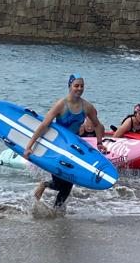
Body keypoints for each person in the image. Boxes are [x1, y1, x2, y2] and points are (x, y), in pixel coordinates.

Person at [23, 75, 109, 208]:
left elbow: (97, 125)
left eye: (82, 86)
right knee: (59, 183)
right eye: (76, 86)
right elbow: (44, 125)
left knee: (68, 184)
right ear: (70, 86)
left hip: (73, 148)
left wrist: (99, 143)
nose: (79, 89)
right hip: (58, 146)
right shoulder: (61, 105)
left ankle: (56, 212)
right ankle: (45, 185)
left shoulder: (87, 107)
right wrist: (29, 146)